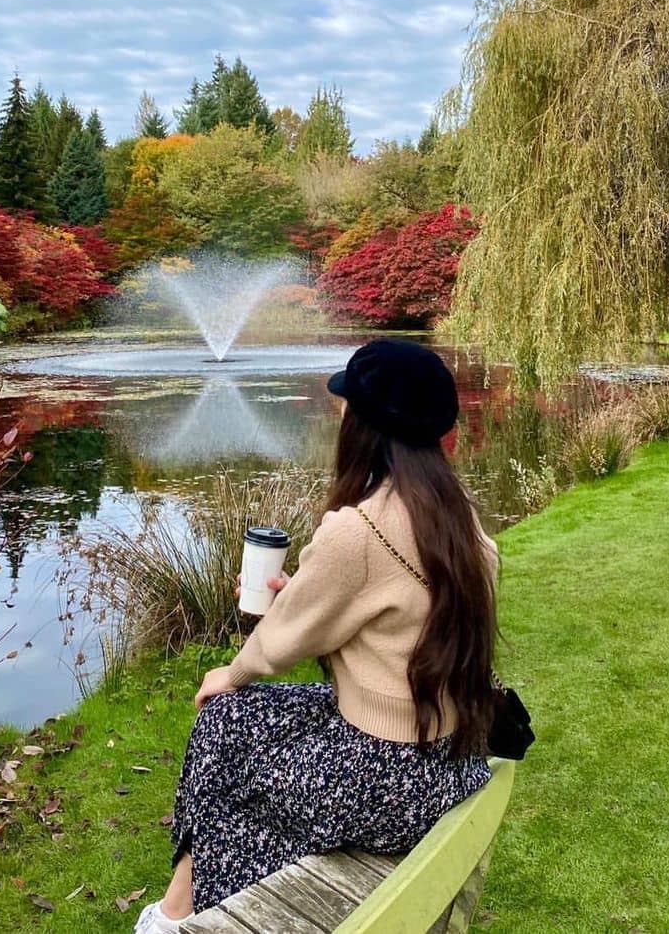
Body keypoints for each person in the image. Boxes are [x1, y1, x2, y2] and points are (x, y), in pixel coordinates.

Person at [134, 339, 499, 933]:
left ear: (365, 425)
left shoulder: (360, 529)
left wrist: (232, 670)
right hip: (449, 758)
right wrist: (300, 603)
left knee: (223, 737)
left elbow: (275, 647)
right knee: (235, 730)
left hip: (385, 778)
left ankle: (179, 916)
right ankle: (183, 906)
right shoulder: (460, 520)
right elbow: (390, 624)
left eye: (347, 408)